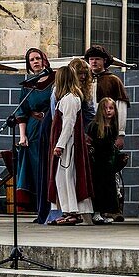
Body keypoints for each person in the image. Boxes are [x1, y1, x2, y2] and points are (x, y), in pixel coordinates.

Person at [47, 65, 94, 225]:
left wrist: (60, 145)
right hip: (66, 144)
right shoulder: (66, 98)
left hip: (69, 145)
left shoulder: (70, 99)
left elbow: (68, 124)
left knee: (68, 177)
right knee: (62, 178)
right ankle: (67, 210)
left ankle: (74, 212)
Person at [12, 47, 54, 216]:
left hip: (50, 125)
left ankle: (53, 206)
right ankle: (39, 208)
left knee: (50, 166)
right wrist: (23, 135)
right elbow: (22, 112)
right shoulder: (28, 85)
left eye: (38, 58)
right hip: (33, 129)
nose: (35, 62)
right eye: (31, 60)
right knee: (35, 167)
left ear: (44, 60)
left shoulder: (55, 79)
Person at [88, 97, 123, 224]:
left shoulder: (113, 127)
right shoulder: (95, 126)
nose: (108, 111)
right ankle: (96, 212)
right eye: (105, 108)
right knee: (98, 187)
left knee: (109, 188)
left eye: (111, 108)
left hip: (108, 161)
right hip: (97, 161)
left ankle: (104, 211)